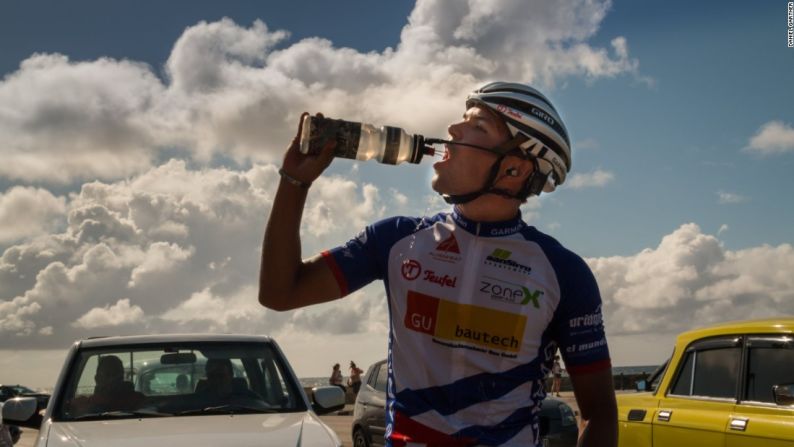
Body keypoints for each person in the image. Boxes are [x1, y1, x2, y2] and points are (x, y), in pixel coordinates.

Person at [259, 82, 617, 446]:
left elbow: (600, 416)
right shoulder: (395, 239)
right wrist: (294, 182)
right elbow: (279, 292)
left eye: (478, 127)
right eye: (462, 120)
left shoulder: (562, 272)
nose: (453, 131)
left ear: (513, 169)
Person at [70, 355, 144, 415]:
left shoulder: (137, 400)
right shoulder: (83, 404)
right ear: (97, 378)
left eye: (115, 374)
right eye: (107, 375)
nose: (112, 379)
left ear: (121, 377)